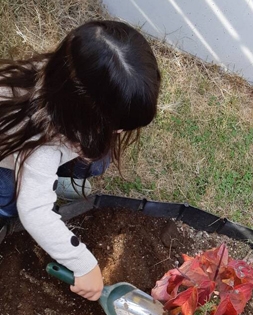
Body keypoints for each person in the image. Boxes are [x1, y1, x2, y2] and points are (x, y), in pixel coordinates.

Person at [0, 20, 161, 300]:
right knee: (11, 201)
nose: (120, 133)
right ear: (79, 116)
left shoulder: (67, 81)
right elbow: (34, 211)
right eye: (114, 126)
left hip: (48, 143)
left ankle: (47, 182)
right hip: (8, 160)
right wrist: (84, 265)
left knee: (98, 160)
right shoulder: (43, 147)